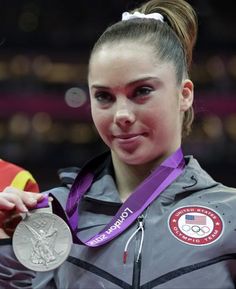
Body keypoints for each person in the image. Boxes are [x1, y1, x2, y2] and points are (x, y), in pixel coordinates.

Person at [0, 0, 236, 288]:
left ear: (184, 94)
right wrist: (5, 248)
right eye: (104, 97)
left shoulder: (230, 215)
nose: (121, 115)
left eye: (142, 91)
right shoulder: (52, 215)